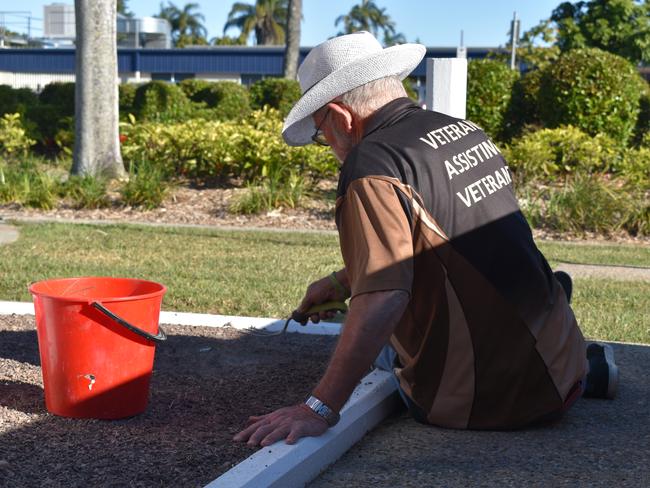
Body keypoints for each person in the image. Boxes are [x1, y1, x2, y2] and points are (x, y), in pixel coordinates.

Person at [233, 31, 618, 448]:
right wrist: (342, 282)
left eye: (320, 132)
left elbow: (384, 298)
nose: (326, 144)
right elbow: (453, 240)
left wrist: (317, 408)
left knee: (382, 349)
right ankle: (588, 366)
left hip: (491, 400)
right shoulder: (464, 132)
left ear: (341, 117)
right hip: (560, 362)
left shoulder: (371, 164)